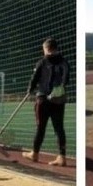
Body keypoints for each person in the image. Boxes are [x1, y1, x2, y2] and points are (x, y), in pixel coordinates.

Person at [23, 37, 70, 167]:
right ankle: (62, 157)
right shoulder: (64, 62)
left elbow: (34, 78)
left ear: (46, 49)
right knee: (59, 128)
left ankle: (35, 154)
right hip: (58, 99)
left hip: (43, 99)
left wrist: (29, 90)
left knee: (40, 127)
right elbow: (66, 79)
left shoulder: (42, 62)